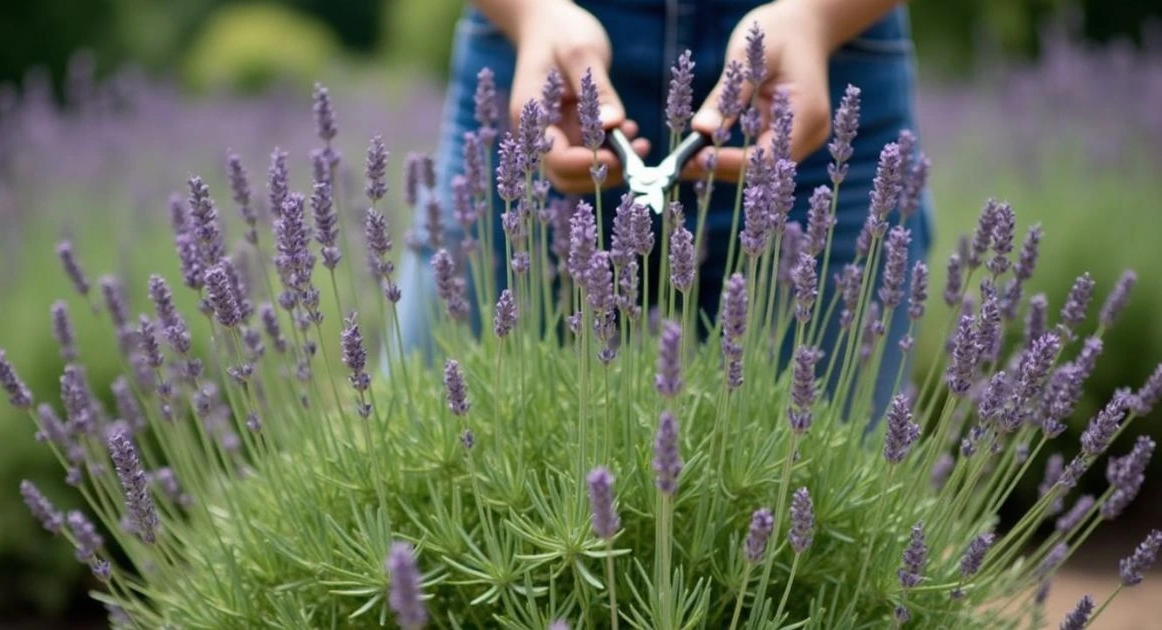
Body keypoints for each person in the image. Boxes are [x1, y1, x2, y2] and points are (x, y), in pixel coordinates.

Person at [395, 0, 932, 415]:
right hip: (538, 49)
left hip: (818, 60)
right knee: (438, 426)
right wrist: (530, 12)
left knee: (822, 465)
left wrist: (821, 15)